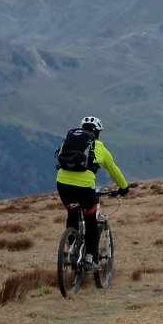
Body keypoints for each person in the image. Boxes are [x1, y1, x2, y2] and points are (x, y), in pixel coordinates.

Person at [56, 116, 130, 271]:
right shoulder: (99, 147)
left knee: (72, 212)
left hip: (62, 184)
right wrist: (124, 187)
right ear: (97, 133)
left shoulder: (69, 142)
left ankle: (73, 248)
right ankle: (89, 260)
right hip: (84, 186)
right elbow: (113, 169)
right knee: (91, 218)